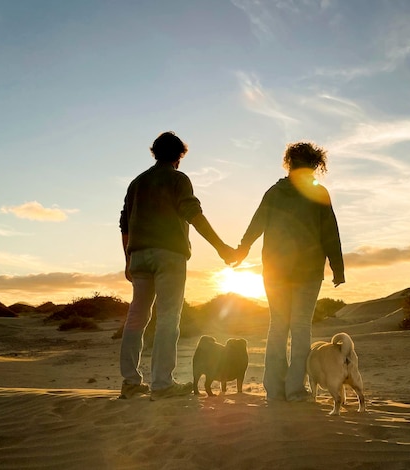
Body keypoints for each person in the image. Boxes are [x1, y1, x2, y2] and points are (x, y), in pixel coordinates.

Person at [119, 131, 235, 401]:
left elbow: (124, 223)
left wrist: (127, 259)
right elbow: (192, 213)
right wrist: (220, 247)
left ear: (154, 152)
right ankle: (161, 384)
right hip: (169, 255)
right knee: (168, 318)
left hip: (138, 256)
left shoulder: (137, 183)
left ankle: (130, 382)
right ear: (179, 155)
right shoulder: (177, 179)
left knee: (136, 318)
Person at [234, 142, 345, 402]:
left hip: (275, 270)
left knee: (278, 327)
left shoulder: (274, 192)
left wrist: (241, 250)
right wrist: (337, 269)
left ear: (289, 163)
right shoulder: (319, 193)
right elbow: (330, 233)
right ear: (315, 165)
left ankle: (274, 389)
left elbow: (256, 224)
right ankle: (295, 390)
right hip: (307, 271)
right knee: (300, 327)